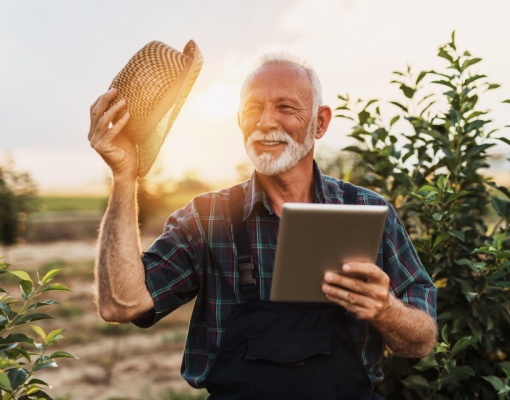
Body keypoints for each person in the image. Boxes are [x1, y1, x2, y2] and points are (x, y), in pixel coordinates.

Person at [88, 52, 437, 399]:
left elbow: (422, 340)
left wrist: (386, 310)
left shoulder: (367, 210)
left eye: (285, 107)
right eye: (254, 109)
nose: (266, 122)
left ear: (320, 122)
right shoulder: (207, 217)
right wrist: (124, 176)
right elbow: (121, 304)